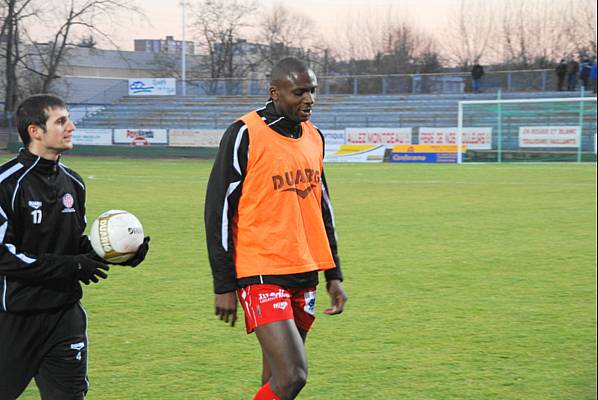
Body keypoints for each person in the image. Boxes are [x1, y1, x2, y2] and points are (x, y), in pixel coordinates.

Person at [204, 57, 348, 400]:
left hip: (304, 271)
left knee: (276, 382)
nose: (309, 99)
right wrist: (224, 284)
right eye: (299, 92)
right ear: (275, 92)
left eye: (312, 90)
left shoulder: (314, 136)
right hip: (260, 272)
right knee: (293, 375)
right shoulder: (244, 133)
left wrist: (333, 273)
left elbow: (322, 209)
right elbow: (218, 211)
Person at [0, 94, 150, 399]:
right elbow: (4, 255)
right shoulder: (7, 184)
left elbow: (73, 245)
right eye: (61, 121)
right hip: (15, 317)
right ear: (35, 131)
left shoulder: (74, 183)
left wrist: (120, 253)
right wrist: (72, 265)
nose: (72, 126)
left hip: (64, 317)